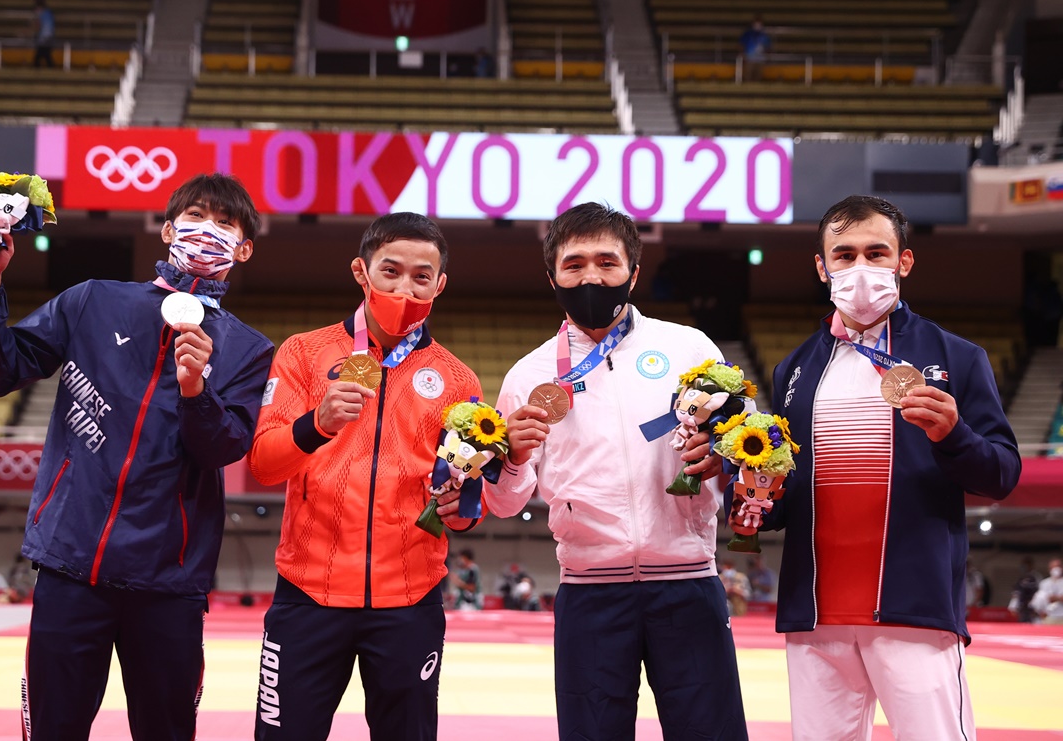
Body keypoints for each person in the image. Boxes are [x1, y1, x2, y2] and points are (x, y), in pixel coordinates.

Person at [0, 173, 273, 741]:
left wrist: (196, 387)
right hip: (71, 569)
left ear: (245, 248)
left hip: (168, 584)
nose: (209, 232)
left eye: (226, 224)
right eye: (197, 218)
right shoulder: (93, 300)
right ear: (168, 230)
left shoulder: (250, 350)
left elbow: (222, 449)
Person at [730, 194, 1020, 740]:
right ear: (822, 267)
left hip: (913, 607)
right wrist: (751, 496)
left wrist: (951, 435)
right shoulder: (795, 368)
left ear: (903, 262)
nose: (859, 267)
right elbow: (784, 495)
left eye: (876, 252)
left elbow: (1001, 474)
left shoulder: (956, 357)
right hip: (814, 612)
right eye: (843, 254)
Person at [487, 202, 749, 740]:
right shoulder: (528, 375)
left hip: (688, 582)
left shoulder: (688, 348)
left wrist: (723, 457)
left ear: (633, 270)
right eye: (574, 263)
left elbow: (740, 458)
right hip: (589, 591)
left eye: (606, 262)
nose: (590, 276)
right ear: (552, 276)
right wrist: (511, 459)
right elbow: (505, 503)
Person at [247, 212, 483, 741]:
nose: (406, 287)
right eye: (391, 271)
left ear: (440, 284)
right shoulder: (303, 354)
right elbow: (262, 463)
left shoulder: (458, 380)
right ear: (361, 271)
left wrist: (461, 508)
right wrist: (317, 425)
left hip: (410, 600)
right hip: (308, 595)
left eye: (422, 277)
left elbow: (466, 507)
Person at [1030, 558, 1063, 623]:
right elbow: (1040, 599)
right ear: (1049, 569)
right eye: (1053, 567)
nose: (1056, 569)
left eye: (1058, 566)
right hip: (1049, 616)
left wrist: (1056, 598)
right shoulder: (1044, 583)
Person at [738, 14, 770, 81]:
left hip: (760, 59)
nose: (758, 24)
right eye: (756, 22)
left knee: (758, 77)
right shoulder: (748, 33)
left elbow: (768, 46)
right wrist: (742, 54)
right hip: (750, 58)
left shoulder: (764, 34)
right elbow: (741, 44)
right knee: (748, 77)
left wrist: (766, 55)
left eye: (759, 22)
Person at [1012, 556, 1042, 622]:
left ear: (1031, 565)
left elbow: (1040, 593)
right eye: (1023, 564)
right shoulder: (1022, 578)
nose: (1025, 566)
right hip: (1022, 606)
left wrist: (1035, 606)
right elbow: (1017, 593)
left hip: (1033, 605)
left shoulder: (1036, 577)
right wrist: (1013, 605)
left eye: (1027, 564)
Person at [32, 0, 56, 68]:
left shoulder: (40, 13)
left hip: (44, 38)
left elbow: (38, 25)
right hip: (49, 37)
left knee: (41, 56)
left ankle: (40, 69)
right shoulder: (49, 13)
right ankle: (50, 68)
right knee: (45, 55)